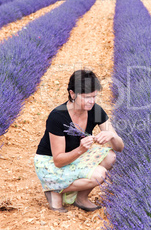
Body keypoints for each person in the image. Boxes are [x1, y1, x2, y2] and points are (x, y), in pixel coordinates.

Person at [34, 70, 124, 213]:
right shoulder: (57, 116)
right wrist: (81, 149)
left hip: (74, 157)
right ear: (72, 94)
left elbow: (119, 147)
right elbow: (58, 161)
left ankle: (80, 198)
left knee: (110, 156)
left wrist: (112, 136)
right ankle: (54, 189)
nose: (91, 101)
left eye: (94, 96)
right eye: (87, 97)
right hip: (50, 163)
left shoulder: (95, 110)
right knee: (100, 174)